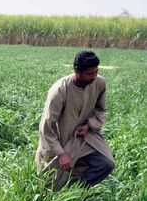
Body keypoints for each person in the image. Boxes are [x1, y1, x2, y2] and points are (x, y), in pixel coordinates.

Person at [36, 50, 114, 192]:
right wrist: (61, 153)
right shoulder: (59, 90)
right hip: (61, 141)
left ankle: (78, 192)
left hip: (85, 137)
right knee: (50, 184)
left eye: (96, 72)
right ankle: (67, 198)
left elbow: (100, 109)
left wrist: (89, 126)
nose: (94, 77)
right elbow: (46, 126)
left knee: (106, 164)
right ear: (77, 71)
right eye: (90, 74)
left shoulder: (99, 83)